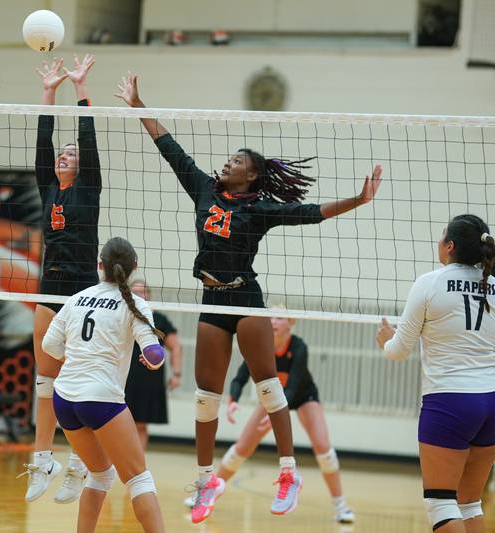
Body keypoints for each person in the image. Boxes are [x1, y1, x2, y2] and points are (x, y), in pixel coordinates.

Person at [115, 72, 383, 522]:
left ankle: (287, 472)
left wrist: (358, 199)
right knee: (206, 398)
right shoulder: (203, 189)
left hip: (246, 298)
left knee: (267, 385)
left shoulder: (257, 208)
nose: (228, 161)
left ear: (251, 174)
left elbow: (309, 213)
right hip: (210, 299)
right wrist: (138, 104)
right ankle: (205, 482)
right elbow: (169, 148)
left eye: (237, 159)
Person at [376, 214, 495, 533]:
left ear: (450, 246)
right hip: (492, 402)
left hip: (450, 402)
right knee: (470, 502)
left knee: (441, 501)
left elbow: (400, 351)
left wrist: (386, 342)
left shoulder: (430, 282)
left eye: (442, 237)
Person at [42, 237, 166, 532]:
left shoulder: (76, 298)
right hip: (100, 398)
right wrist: (154, 361)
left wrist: (75, 357)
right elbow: (154, 353)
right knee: (139, 479)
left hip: (64, 399)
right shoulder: (135, 304)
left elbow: (49, 345)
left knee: (101, 475)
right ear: (134, 268)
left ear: (100, 266)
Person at [184, 309, 354, 523]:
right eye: (271, 317)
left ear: (290, 323)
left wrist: (276, 414)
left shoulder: (298, 346)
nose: (274, 321)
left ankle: (341, 506)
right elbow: (240, 376)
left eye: (280, 318)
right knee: (242, 447)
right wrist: (234, 400)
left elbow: (293, 385)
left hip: (303, 396)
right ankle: (208, 493)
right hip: (273, 399)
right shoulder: (263, 345)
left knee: (323, 449)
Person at [24, 54, 103, 505]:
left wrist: (80, 87)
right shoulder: (48, 188)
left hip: (82, 292)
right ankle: (43, 459)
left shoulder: (88, 187)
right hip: (48, 288)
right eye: (62, 154)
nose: (64, 155)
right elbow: (42, 139)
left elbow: (87, 137)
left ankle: (80, 463)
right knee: (44, 381)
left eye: (70, 154)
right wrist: (48, 91)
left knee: (81, 379)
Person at [124, 280, 183, 450]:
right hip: (123, 376)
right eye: (134, 292)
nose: (138, 295)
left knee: (141, 424)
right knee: (118, 421)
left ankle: (138, 462)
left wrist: (177, 374)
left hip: (149, 379)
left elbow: (176, 347)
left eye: (141, 292)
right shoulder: (122, 316)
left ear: (148, 295)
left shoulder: (159, 319)